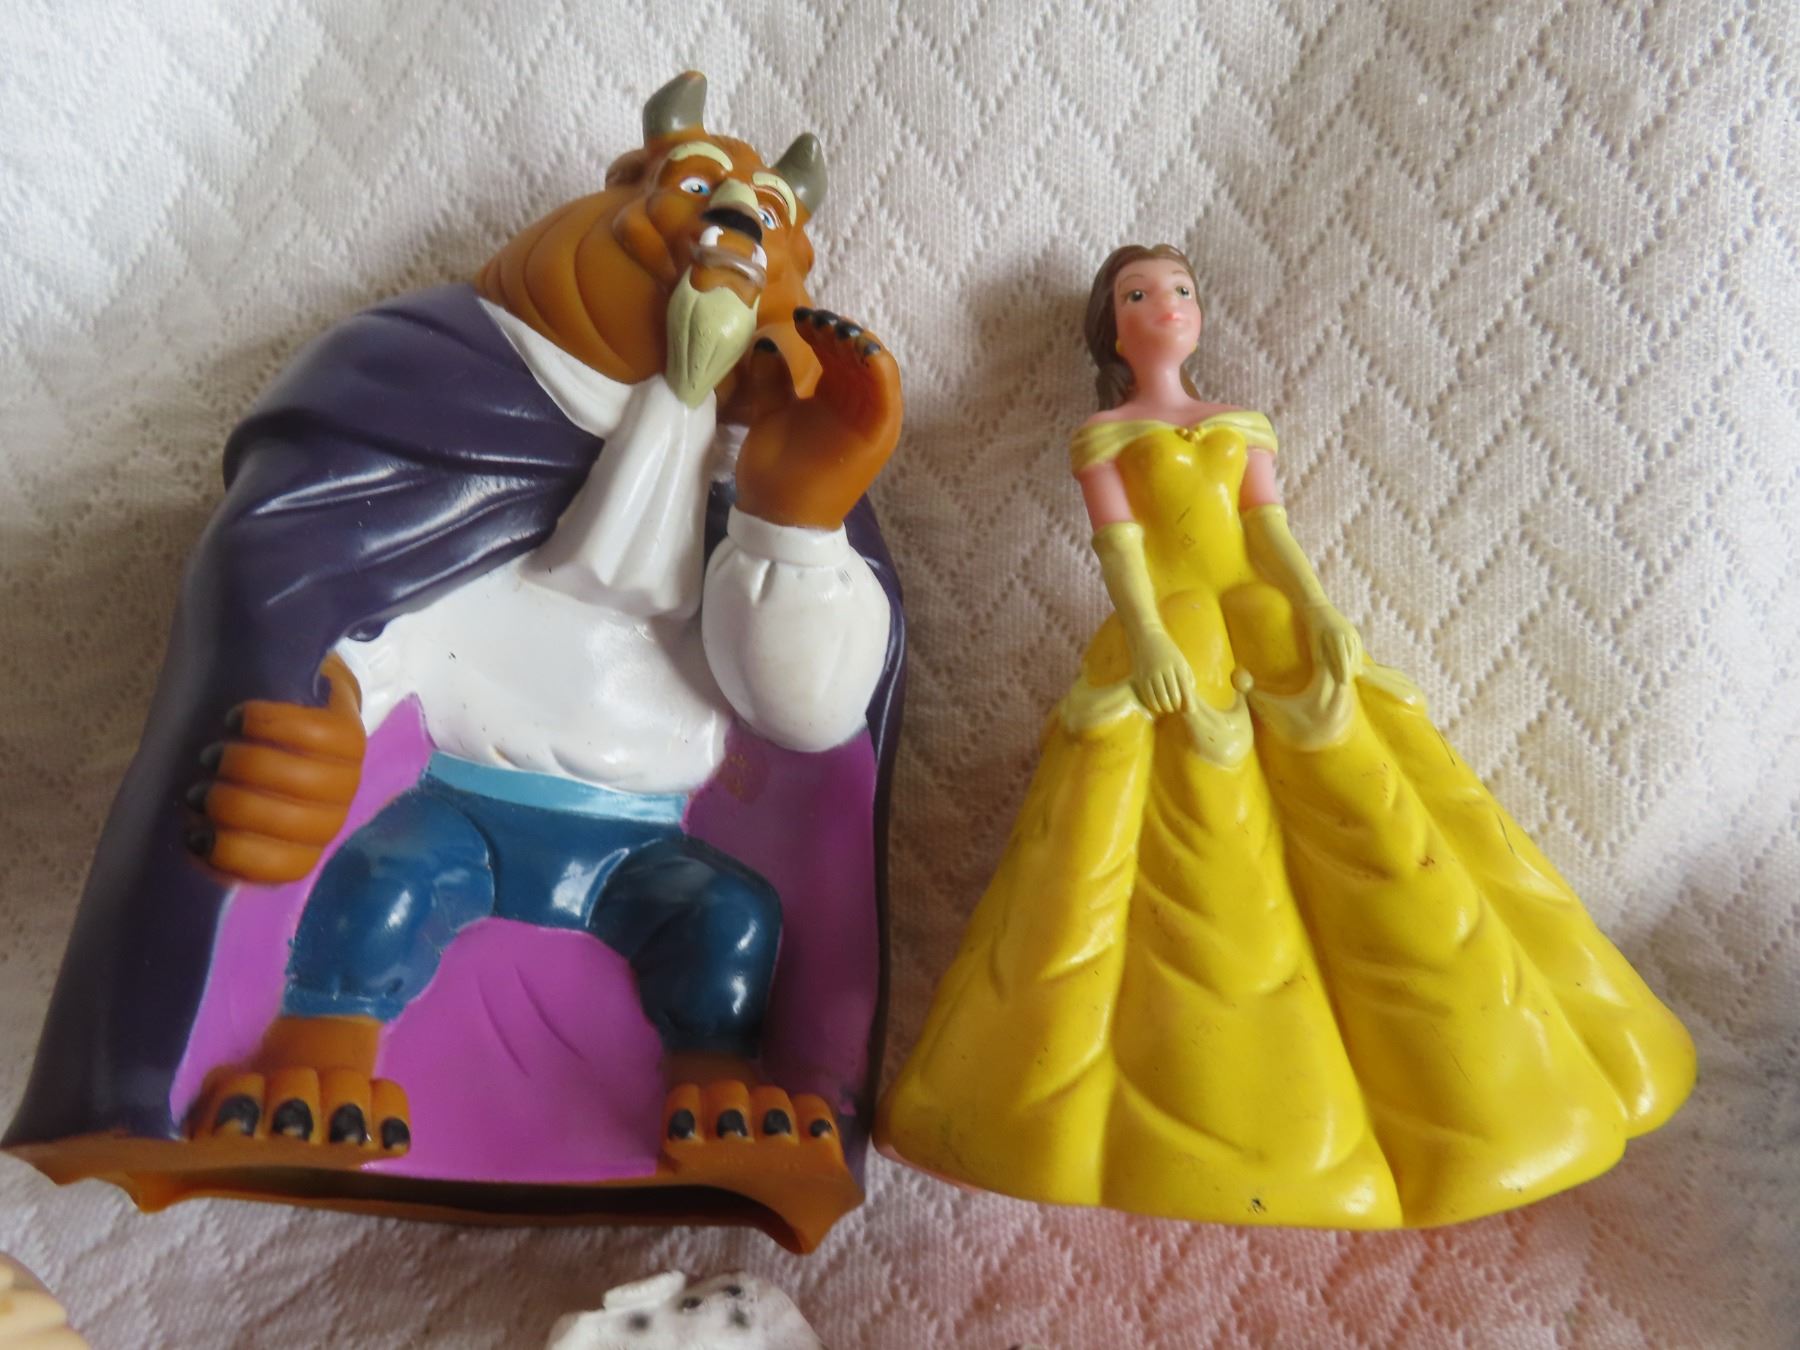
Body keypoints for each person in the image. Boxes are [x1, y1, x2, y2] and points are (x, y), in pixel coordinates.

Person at [876, 243, 1694, 1227]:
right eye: (1140, 294)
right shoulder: (1105, 436)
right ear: (1113, 327)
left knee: (1378, 815)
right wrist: (1148, 641)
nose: (1167, 305)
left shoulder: (1239, 424)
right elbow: (1122, 551)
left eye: (1180, 290)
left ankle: (1480, 1081)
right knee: (1121, 845)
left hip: (1263, 622)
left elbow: (1269, 532)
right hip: (1175, 633)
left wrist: (1319, 610)